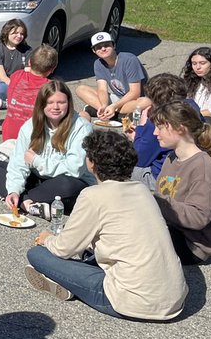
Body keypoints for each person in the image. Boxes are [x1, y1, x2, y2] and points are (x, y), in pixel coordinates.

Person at [25, 129, 187, 321]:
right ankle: (68, 284)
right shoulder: (142, 190)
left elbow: (63, 249)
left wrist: (47, 239)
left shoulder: (93, 195)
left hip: (129, 301)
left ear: (91, 163)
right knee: (89, 253)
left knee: (36, 254)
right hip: (175, 298)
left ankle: (70, 285)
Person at [0, 80, 94, 216]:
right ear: (42, 104)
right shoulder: (31, 126)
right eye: (50, 102)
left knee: (68, 186)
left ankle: (17, 198)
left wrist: (36, 161)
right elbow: (18, 162)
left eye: (61, 102)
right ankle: (26, 201)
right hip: (39, 180)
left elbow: (74, 169)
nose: (56, 107)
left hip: (68, 182)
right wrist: (14, 190)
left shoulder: (82, 128)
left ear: (69, 103)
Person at [151, 101, 211, 263]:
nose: (155, 133)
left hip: (192, 243)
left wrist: (158, 202)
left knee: (135, 234)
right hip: (171, 225)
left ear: (180, 128)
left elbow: (198, 218)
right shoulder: (172, 157)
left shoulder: (204, 169)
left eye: (161, 127)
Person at [130, 74, 197, 190]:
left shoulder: (157, 124)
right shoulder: (192, 107)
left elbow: (140, 159)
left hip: (165, 178)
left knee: (119, 166)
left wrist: (140, 129)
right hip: (193, 170)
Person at [75, 31, 148, 122]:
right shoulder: (98, 64)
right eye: (98, 47)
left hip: (134, 99)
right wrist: (104, 105)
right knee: (80, 89)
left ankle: (108, 112)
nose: (103, 49)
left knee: (146, 102)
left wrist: (114, 106)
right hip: (118, 98)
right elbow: (102, 90)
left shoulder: (129, 60)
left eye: (106, 45)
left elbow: (135, 93)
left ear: (114, 45)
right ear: (94, 51)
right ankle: (108, 112)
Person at [0, 45, 58, 141]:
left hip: (9, 136)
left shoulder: (16, 75)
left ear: (29, 62)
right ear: (53, 69)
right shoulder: (51, 87)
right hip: (34, 140)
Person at [0, 18, 31, 109]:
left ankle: (10, 103)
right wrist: (19, 90)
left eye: (22, 34)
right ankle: (22, 101)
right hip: (3, 86)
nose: (19, 36)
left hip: (21, 86)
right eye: (15, 33)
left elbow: (28, 74)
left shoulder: (27, 50)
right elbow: (2, 77)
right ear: (7, 32)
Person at [181, 47, 211, 120]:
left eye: (202, 63)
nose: (197, 67)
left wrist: (191, 115)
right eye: (194, 63)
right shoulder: (194, 79)